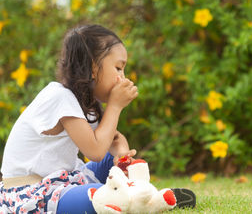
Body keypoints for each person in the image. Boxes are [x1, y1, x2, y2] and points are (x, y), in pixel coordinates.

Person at [0, 24, 195, 213]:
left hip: (65, 180)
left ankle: (133, 196)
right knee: (95, 197)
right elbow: (95, 151)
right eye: (118, 69)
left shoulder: (84, 103)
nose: (123, 77)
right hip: (32, 192)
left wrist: (121, 158)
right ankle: (146, 201)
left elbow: (115, 139)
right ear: (93, 68)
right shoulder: (59, 96)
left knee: (110, 167)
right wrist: (115, 106)